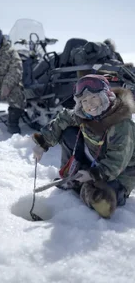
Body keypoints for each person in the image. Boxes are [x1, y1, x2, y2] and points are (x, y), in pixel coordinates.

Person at [32, 74, 135, 218]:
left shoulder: (122, 125)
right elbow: (63, 118)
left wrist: (92, 175)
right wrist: (43, 143)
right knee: (68, 131)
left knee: (103, 199)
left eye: (94, 97)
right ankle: (73, 176)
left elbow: (117, 162)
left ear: (105, 96)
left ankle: (90, 188)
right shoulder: (84, 114)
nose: (89, 104)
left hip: (120, 171)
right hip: (95, 159)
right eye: (84, 100)